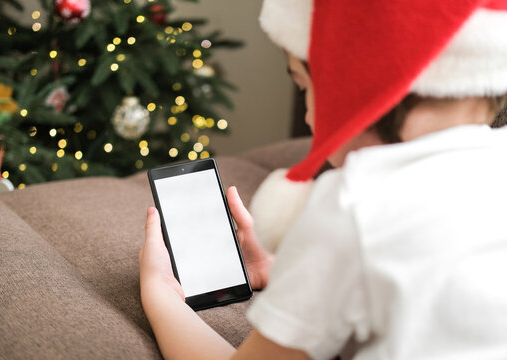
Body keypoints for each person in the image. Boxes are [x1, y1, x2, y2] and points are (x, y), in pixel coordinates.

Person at [139, 0, 507, 359]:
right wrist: (289, 270)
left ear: (349, 86)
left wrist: (160, 294)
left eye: (303, 86)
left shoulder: (353, 205)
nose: (311, 117)